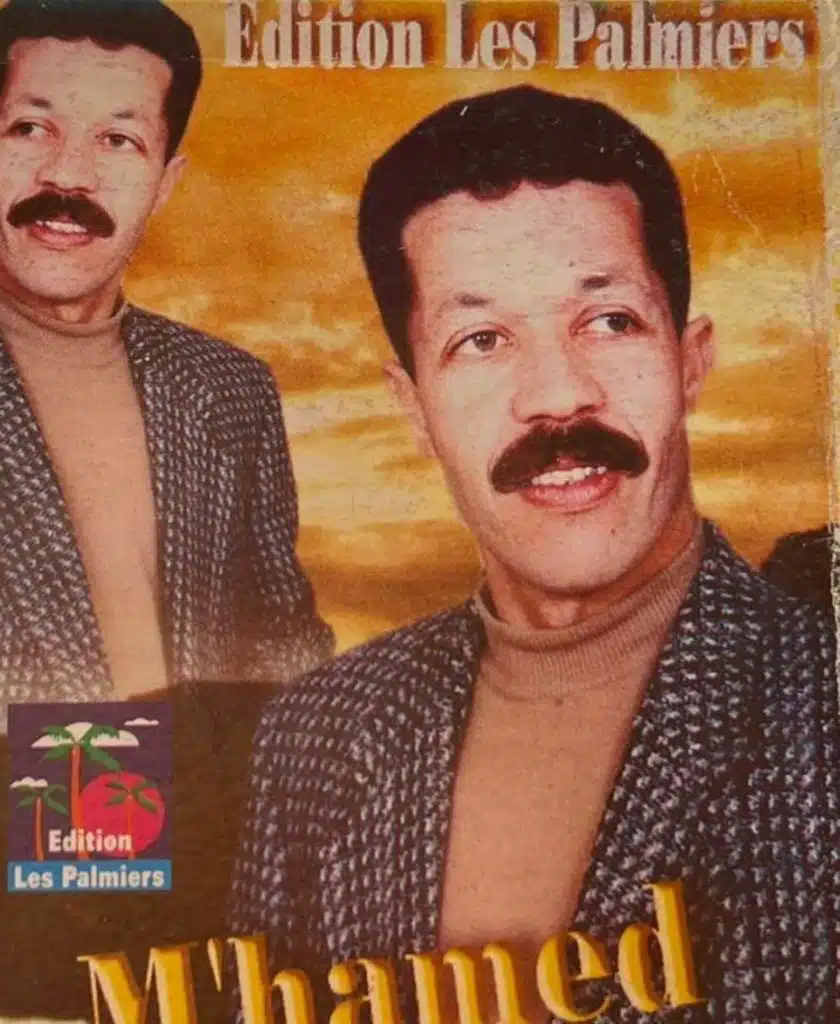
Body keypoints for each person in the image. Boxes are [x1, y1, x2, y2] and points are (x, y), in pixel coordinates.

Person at [229, 86, 839, 1022]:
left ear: (690, 360)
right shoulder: (315, 737)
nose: (557, 396)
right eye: (481, 340)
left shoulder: (819, 705)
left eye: (609, 321)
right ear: (414, 405)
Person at [0, 0, 333, 738]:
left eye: (118, 140)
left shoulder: (229, 388)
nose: (69, 175)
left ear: (165, 180)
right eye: (31, 128)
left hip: (199, 799)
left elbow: (285, 648)